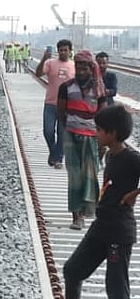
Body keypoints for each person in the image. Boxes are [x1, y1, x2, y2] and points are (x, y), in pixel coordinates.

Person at [63, 103, 140, 299]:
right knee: (72, 271)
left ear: (112, 133)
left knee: (116, 288)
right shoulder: (110, 155)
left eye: (98, 130)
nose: (95, 133)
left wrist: (134, 194)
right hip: (101, 226)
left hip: (119, 231)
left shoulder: (132, 158)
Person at [60, 50, 109, 229]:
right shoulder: (66, 87)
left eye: (84, 67)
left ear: (90, 68)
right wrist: (70, 130)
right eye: (78, 66)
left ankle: (90, 210)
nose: (81, 70)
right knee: (75, 177)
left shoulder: (99, 89)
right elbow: (61, 113)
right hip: (71, 136)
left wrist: (102, 142)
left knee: (90, 176)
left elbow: (103, 116)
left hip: (92, 138)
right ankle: (77, 216)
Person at [38, 40, 76, 168]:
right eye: (61, 50)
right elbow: (38, 73)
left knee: (62, 134)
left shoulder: (74, 66)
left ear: (70, 51)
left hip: (67, 106)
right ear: (57, 50)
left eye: (66, 50)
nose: (63, 52)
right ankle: (53, 152)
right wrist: (44, 58)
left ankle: (58, 159)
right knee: (48, 131)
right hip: (50, 103)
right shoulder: (50, 63)